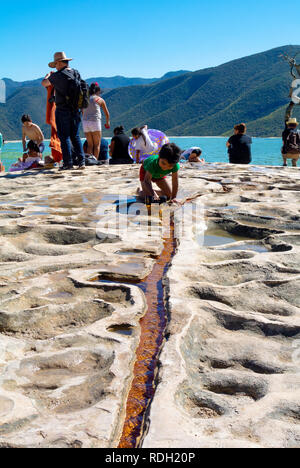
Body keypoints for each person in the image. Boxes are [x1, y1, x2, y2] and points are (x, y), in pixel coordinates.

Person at [41, 51, 86, 170]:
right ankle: (82, 162)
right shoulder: (76, 73)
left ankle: (68, 163)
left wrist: (47, 76)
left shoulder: (57, 76)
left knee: (64, 136)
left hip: (62, 110)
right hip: (76, 109)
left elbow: (44, 83)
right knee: (75, 136)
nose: (55, 66)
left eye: (56, 64)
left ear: (60, 63)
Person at [82, 82, 110, 159]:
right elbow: (107, 113)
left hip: (85, 122)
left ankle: (89, 161)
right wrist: (107, 122)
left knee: (90, 145)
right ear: (97, 91)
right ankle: (95, 161)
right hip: (95, 121)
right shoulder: (100, 99)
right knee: (97, 144)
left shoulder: (85, 99)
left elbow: (82, 111)